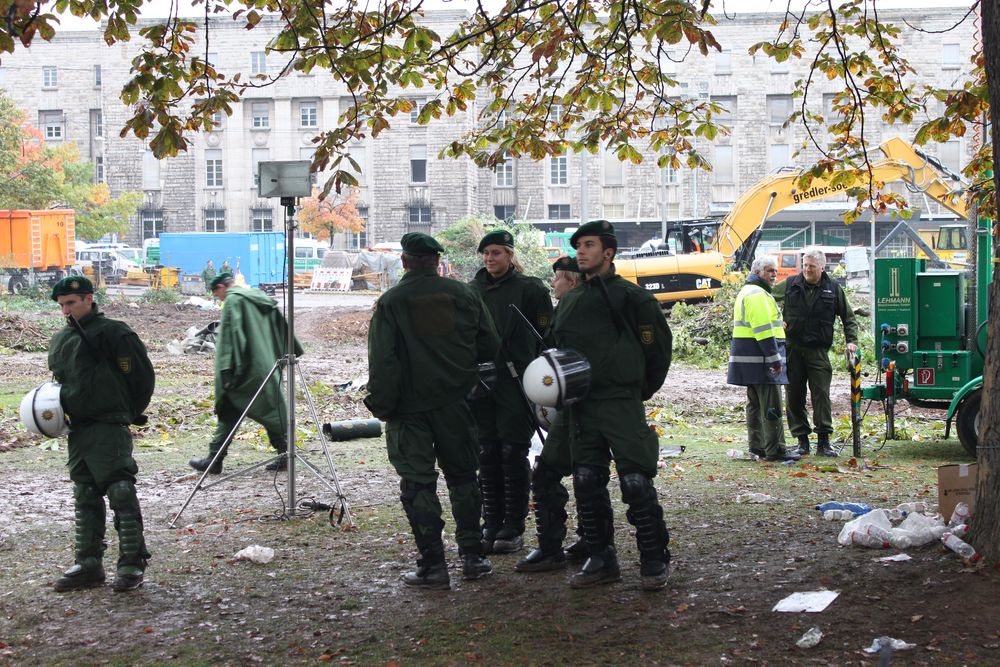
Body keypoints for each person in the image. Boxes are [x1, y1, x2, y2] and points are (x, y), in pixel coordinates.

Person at [365, 232, 500, 588]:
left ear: (405, 261)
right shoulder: (463, 294)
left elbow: (383, 361)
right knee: (464, 479)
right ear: (437, 261)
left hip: (410, 410)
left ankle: (433, 565)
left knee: (417, 483)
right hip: (456, 404)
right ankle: (473, 557)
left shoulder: (392, 302)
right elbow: (490, 343)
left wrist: (382, 405)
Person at [550, 221, 673, 591]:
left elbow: (658, 351)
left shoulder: (632, 298)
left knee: (635, 482)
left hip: (620, 402)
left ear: (609, 252)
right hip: (581, 406)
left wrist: (638, 389)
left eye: (589, 244)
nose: (581, 251)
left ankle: (654, 559)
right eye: (578, 246)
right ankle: (601, 558)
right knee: (586, 480)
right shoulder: (569, 301)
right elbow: (555, 351)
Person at [47, 276, 155, 592]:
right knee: (85, 494)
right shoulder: (62, 340)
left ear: (89, 299)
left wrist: (126, 411)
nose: (66, 311)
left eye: (71, 303)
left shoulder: (114, 333)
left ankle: (132, 563)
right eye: (62, 305)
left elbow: (141, 378)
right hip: (77, 428)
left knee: (120, 490)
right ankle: (88, 563)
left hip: (110, 424)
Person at [470, 229, 553, 554]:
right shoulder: (472, 290)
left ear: (510, 255)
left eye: (497, 253)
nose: (491, 259)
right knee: (486, 451)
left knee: (512, 451)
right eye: (487, 253)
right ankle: (490, 521)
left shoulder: (530, 288)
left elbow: (546, 331)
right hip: (482, 380)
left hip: (517, 381)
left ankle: (512, 526)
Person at [515, 255, 587, 573]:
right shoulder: (574, 311)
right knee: (588, 474)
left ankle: (551, 549)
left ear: (571, 281)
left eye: (556, 278)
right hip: (579, 409)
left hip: (578, 411)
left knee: (546, 475)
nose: (552, 284)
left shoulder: (576, 315)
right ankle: (593, 542)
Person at [188, 272, 302, 474]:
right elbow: (282, 329)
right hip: (267, 364)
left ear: (222, 287)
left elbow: (232, 339)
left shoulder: (233, 301)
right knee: (270, 411)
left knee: (230, 410)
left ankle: (215, 460)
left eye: (216, 294)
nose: (218, 298)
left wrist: (227, 372)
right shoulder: (258, 297)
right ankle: (284, 454)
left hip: (246, 370)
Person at [773, 248, 858, 457]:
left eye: (811, 266)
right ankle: (802, 441)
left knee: (821, 395)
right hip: (792, 349)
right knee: (793, 397)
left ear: (822, 267)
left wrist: (852, 341)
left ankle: (824, 442)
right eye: (804, 266)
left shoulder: (833, 289)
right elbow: (767, 297)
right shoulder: (791, 284)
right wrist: (775, 319)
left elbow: (848, 317)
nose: (807, 270)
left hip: (818, 351)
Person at [727, 256, 800, 462]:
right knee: (771, 406)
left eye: (775, 271)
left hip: (749, 361)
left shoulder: (748, 291)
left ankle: (757, 447)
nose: (774, 274)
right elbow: (762, 330)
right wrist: (774, 360)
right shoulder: (758, 294)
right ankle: (775, 449)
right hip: (761, 361)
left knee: (755, 406)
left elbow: (760, 324)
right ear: (758, 272)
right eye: (770, 270)